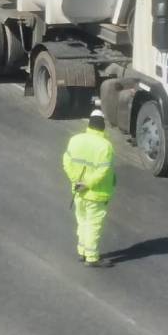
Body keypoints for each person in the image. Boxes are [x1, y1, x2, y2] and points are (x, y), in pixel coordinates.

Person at [62, 109, 117, 267]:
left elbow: (66, 163)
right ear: (102, 126)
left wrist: (77, 181)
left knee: (82, 222)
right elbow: (103, 171)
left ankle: (82, 251)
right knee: (93, 224)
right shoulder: (105, 147)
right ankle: (92, 257)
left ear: (90, 124)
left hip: (78, 192)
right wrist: (88, 183)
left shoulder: (75, 140)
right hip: (97, 194)